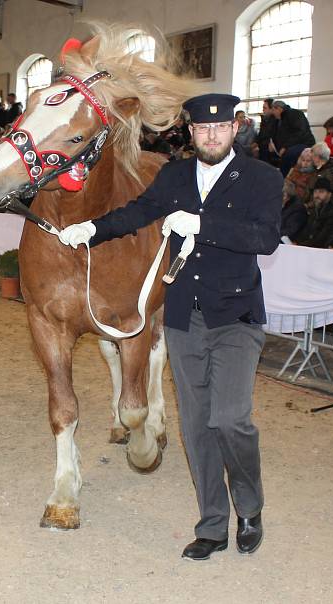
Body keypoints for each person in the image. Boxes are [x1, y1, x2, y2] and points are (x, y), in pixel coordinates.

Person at [55, 93, 282, 561]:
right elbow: (137, 213)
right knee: (196, 425)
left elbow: (265, 238)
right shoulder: (175, 175)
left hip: (236, 317)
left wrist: (202, 223)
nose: (212, 135)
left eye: (220, 128)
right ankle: (213, 525)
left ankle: (250, 507)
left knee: (230, 419)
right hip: (184, 318)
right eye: (202, 128)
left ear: (235, 128)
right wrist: (91, 231)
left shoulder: (261, 177)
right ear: (191, 131)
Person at [270, 100, 315, 177]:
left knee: (289, 154)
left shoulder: (295, 114)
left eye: (273, 110)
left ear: (279, 109)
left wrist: (285, 146)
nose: (273, 113)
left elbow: (300, 132)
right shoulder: (279, 119)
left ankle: (284, 178)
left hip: (304, 143)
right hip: (291, 144)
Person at [297, 177, 333, 248]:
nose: (317, 195)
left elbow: (323, 238)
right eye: (315, 192)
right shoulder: (315, 210)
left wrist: (300, 245)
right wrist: (298, 242)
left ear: (329, 194)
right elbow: (306, 231)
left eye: (321, 192)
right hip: (310, 247)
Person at [256, 98, 277, 165]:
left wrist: (258, 145)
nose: (263, 110)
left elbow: (269, 135)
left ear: (271, 109)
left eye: (265, 108)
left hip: (269, 148)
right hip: (263, 146)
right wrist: (255, 143)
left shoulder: (276, 120)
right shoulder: (265, 119)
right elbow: (261, 134)